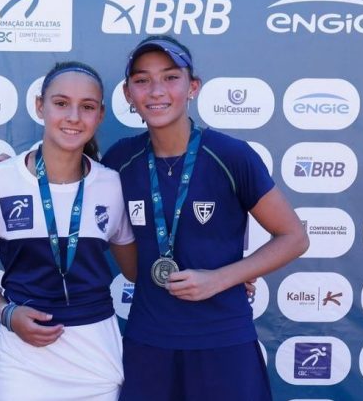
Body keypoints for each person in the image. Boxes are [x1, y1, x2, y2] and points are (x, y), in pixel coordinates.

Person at [104, 35, 309, 400]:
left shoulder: (231, 156)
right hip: (149, 341)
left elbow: (294, 237)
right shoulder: (121, 160)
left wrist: (222, 277)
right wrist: (4, 170)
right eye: (142, 80)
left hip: (223, 341)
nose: (156, 91)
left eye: (171, 77)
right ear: (128, 94)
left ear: (193, 87)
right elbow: (64, 185)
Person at [0, 61, 137, 401]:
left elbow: (138, 270)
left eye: (87, 107)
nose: (74, 116)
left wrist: (222, 274)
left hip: (96, 357)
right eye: (61, 103)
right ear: (40, 106)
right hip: (24, 360)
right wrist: (6, 313)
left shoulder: (112, 184)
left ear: (100, 115)